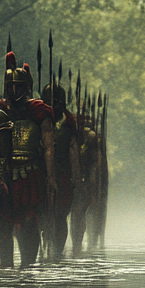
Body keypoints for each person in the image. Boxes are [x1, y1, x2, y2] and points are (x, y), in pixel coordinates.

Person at [0, 55, 57, 267]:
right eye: (10, 87)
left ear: (26, 88)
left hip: (30, 173)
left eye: (18, 87)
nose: (13, 92)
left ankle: (28, 267)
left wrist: (50, 176)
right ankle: (6, 267)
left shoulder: (39, 112)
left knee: (29, 222)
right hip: (5, 174)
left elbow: (48, 147)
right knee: (2, 224)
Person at [39, 81, 82, 259]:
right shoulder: (39, 118)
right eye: (50, 101)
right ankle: (42, 249)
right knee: (41, 214)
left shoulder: (68, 123)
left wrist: (76, 178)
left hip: (62, 174)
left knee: (60, 214)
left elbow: (73, 150)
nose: (54, 105)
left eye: (58, 101)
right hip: (40, 173)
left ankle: (57, 253)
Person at [69, 103, 103, 255]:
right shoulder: (70, 134)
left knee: (78, 214)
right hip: (68, 177)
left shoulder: (91, 138)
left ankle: (77, 246)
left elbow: (95, 163)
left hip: (84, 179)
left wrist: (90, 182)